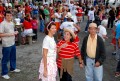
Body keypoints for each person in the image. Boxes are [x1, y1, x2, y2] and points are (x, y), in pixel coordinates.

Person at [0, 11, 21, 80]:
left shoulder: (12, 23)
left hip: (12, 42)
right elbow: (0, 34)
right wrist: (10, 34)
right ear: (5, 16)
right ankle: (4, 73)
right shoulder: (2, 24)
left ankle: (13, 68)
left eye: (10, 15)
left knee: (13, 57)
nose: (9, 17)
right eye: (7, 15)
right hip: (6, 44)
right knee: (5, 59)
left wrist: (15, 32)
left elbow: (12, 31)